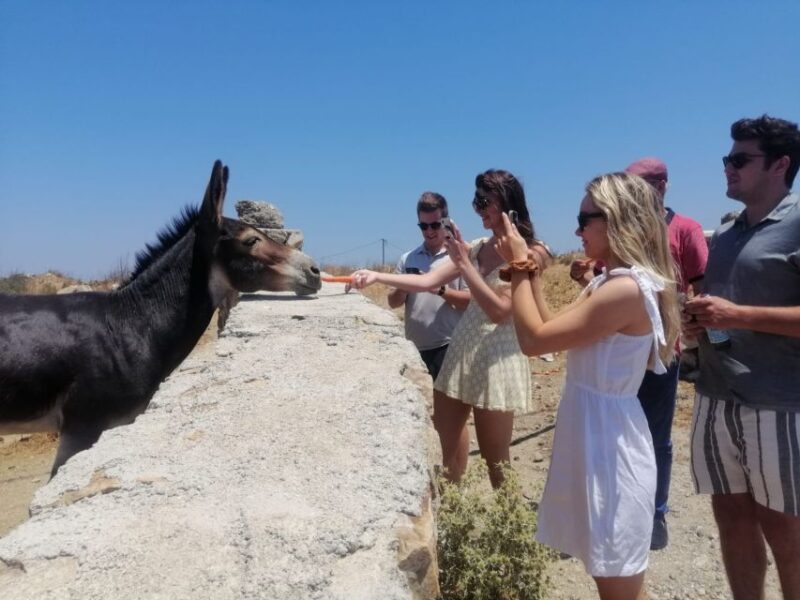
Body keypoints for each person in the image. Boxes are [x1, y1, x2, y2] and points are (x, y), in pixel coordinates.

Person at [496, 172, 680, 600]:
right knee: (610, 579)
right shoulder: (610, 282)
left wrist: (522, 264)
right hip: (596, 436)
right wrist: (532, 275)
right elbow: (550, 328)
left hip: (610, 448)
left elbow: (533, 341)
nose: (576, 230)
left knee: (618, 585)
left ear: (616, 220)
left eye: (584, 220)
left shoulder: (626, 290)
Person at [351, 169, 549, 488]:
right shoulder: (478, 247)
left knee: (496, 462)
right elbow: (427, 280)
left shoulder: (531, 251)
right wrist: (377, 276)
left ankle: (511, 534)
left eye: (484, 200)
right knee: (440, 448)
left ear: (506, 201)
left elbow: (500, 311)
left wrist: (465, 266)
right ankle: (448, 522)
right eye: (475, 200)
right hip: (462, 353)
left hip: (497, 360)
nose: (477, 208)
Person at [683, 114, 800, 600]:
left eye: (739, 160)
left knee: (786, 534)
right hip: (716, 398)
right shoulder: (727, 234)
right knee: (730, 520)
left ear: (780, 165)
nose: (727, 168)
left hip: (777, 405)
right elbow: (724, 314)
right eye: (727, 159)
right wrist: (699, 323)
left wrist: (738, 313)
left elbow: (739, 313)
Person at [569, 157, 707, 551]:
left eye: (641, 182)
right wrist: (588, 279)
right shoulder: (618, 237)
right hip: (618, 344)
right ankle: (610, 514)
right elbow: (610, 285)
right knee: (621, 432)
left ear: (662, 185)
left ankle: (655, 514)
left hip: (663, 348)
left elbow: (698, 284)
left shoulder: (686, 229)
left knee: (656, 435)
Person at [388, 192, 470, 380]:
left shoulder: (459, 257)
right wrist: (405, 285)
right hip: (413, 349)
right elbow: (393, 303)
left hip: (449, 347)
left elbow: (469, 301)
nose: (429, 231)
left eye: (434, 225)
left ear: (446, 222)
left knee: (449, 409)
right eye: (423, 226)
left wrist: (438, 289)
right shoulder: (408, 259)